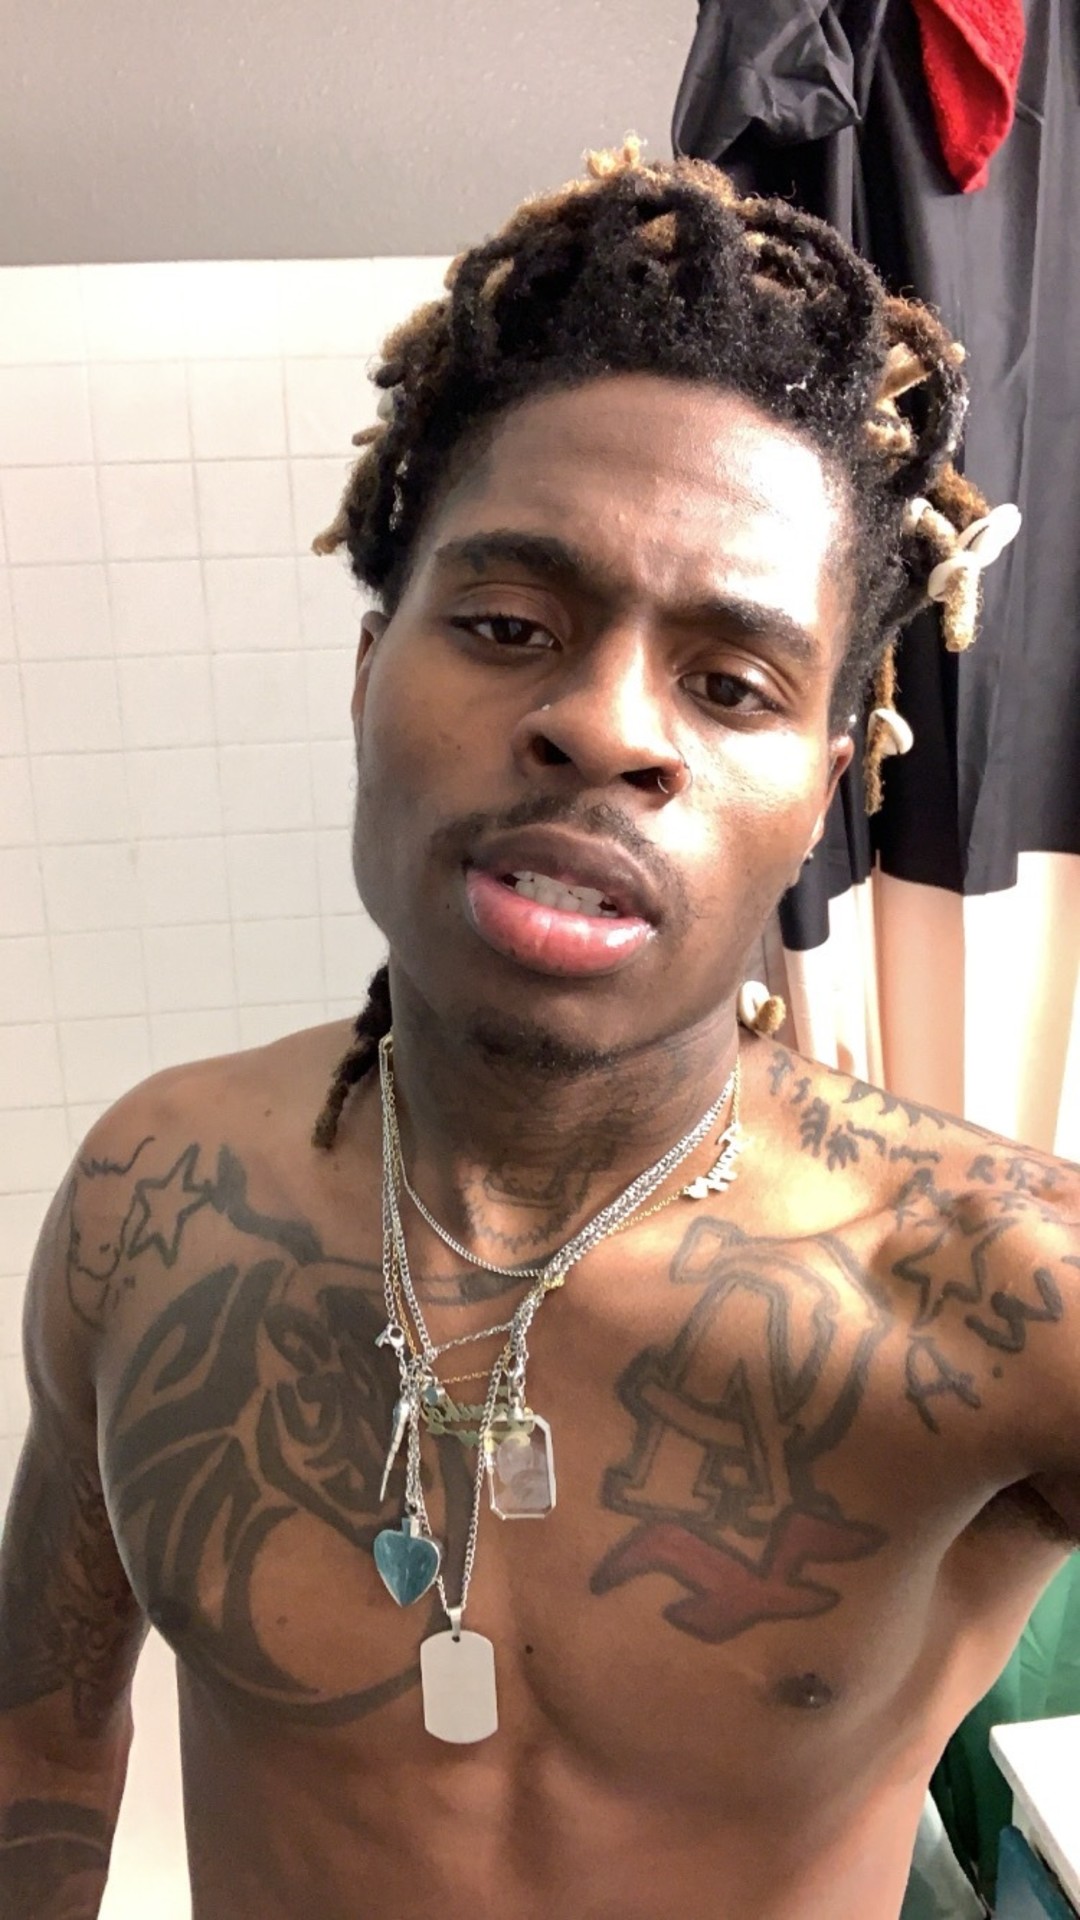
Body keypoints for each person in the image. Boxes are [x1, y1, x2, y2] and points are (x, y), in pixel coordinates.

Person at [0, 138, 1076, 1920]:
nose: (606, 726)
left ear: (821, 795)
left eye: (729, 683)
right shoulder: (152, 1200)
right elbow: (39, 1734)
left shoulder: (999, 1292)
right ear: (369, 677)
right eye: (507, 624)